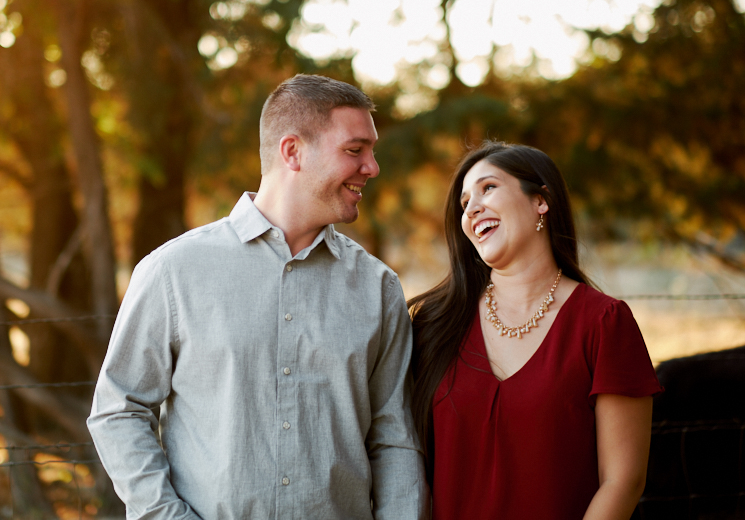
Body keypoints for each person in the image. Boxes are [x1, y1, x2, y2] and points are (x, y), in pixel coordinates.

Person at [88, 74, 429, 519]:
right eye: (354, 150)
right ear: (293, 151)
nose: (372, 167)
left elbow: (395, 437)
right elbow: (119, 409)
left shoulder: (377, 287)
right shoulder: (174, 271)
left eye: (371, 150)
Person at [409, 140, 662, 519]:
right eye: (464, 203)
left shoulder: (604, 322)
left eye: (488, 188)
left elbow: (623, 481)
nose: (472, 207)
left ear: (540, 200)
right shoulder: (434, 324)